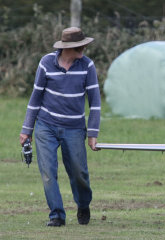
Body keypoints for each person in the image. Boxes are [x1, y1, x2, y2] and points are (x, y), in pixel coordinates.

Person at [19, 27, 101, 227]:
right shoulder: (46, 63)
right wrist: (26, 129)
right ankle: (57, 215)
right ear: (67, 47)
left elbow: (95, 101)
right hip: (46, 125)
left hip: (74, 127)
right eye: (79, 46)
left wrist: (92, 133)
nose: (83, 49)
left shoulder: (87, 65)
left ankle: (83, 204)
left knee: (79, 173)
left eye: (83, 45)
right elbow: (36, 96)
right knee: (48, 172)